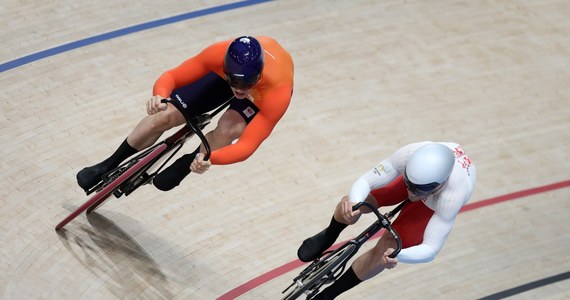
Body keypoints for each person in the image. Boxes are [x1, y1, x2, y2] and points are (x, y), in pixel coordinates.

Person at [76, 36, 294, 192]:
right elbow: (171, 77)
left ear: (258, 75)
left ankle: (188, 162)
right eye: (234, 81)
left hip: (264, 92)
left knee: (230, 128)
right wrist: (159, 96)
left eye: (246, 83)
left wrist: (210, 158)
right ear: (225, 68)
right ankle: (109, 163)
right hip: (232, 75)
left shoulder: (278, 92)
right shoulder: (217, 54)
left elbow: (247, 146)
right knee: (164, 115)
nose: (239, 89)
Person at [297, 141, 476, 299]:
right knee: (356, 204)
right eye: (409, 184)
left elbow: (431, 249)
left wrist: (398, 255)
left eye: (418, 190)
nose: (411, 193)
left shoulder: (451, 197)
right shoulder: (408, 154)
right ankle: (330, 233)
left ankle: (329, 295)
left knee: (390, 246)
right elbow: (366, 181)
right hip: (424, 184)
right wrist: (354, 203)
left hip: (432, 204)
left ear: (440, 184)